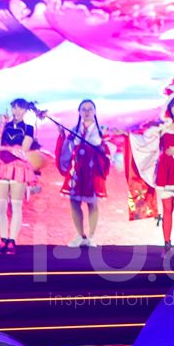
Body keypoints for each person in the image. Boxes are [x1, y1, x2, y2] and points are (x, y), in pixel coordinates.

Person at [126, 85, 174, 258]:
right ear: (169, 108)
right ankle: (167, 245)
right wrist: (127, 136)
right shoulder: (162, 129)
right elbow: (145, 143)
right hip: (165, 173)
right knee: (167, 210)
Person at [0, 98, 39, 255]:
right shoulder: (4, 126)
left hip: (19, 168)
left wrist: (3, 148)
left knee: (16, 206)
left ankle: (12, 241)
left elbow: (23, 150)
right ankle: (3, 240)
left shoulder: (29, 128)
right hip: (1, 166)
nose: (16, 111)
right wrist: (2, 124)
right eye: (14, 108)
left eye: (20, 108)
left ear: (25, 110)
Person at [56, 99, 110, 248]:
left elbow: (108, 150)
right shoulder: (74, 130)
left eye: (90, 109)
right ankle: (80, 236)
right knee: (74, 202)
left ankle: (91, 237)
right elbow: (67, 148)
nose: (87, 112)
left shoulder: (102, 130)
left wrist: (104, 150)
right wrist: (62, 135)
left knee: (92, 203)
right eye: (83, 109)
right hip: (77, 170)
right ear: (79, 112)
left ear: (95, 112)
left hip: (93, 171)